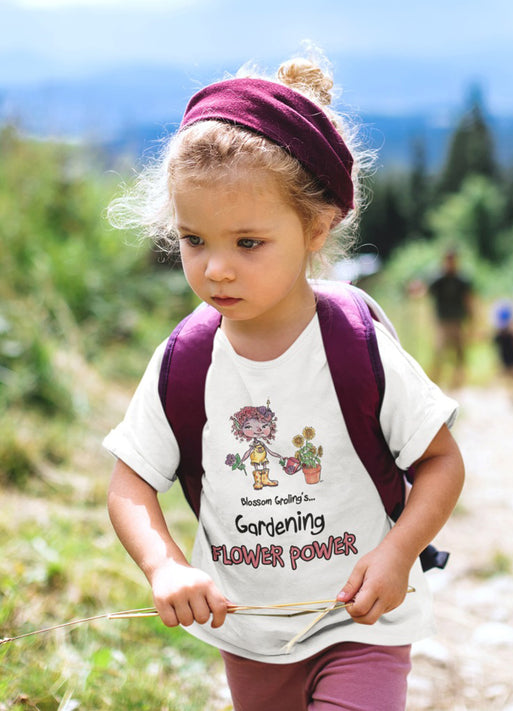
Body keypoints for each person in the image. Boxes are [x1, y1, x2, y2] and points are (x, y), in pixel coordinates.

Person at [103, 55, 465, 711]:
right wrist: (164, 564)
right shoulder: (184, 360)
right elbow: (130, 481)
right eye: (193, 239)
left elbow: (440, 461)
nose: (215, 268)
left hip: (364, 622)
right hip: (250, 634)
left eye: (247, 243)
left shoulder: (356, 345)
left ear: (316, 228)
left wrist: (396, 553)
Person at [428, 249, 474, 389]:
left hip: (457, 321)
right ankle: (435, 381)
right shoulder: (438, 280)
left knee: (460, 353)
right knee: (440, 352)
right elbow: (426, 293)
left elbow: (468, 300)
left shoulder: (461, 280)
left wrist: (472, 319)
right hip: (443, 322)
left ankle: (457, 383)